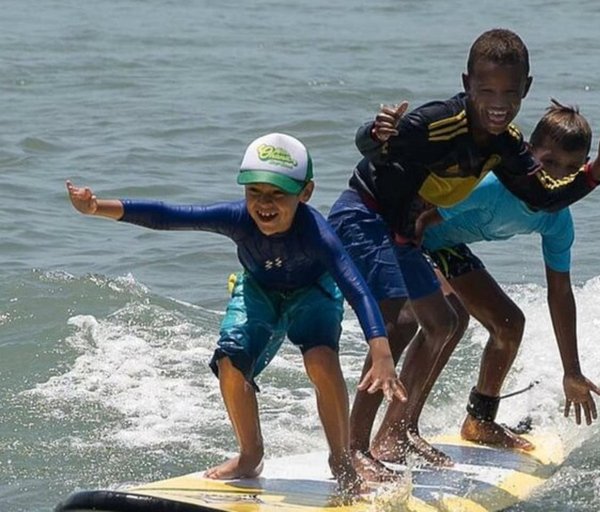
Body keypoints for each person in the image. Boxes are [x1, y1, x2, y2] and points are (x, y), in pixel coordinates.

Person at [328, 29, 600, 481]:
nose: (498, 102)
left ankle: (405, 431)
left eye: (509, 92)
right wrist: (374, 130)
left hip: (406, 235)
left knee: (444, 321)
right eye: (487, 91)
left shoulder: (508, 150)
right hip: (370, 215)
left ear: (526, 90)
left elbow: (545, 197)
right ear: (467, 84)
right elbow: (378, 147)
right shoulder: (441, 123)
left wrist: (597, 172)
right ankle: (355, 448)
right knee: (403, 321)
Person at [65, 133, 407, 496]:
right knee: (230, 362)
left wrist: (381, 352)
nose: (264, 204)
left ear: (305, 193)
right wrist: (96, 207)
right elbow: (169, 215)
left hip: (315, 293)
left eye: (278, 194)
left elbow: (356, 287)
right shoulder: (237, 219)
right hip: (259, 290)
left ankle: (340, 459)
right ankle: (250, 455)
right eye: (254, 192)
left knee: (321, 362)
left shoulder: (318, 235)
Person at [415, 100, 600, 449]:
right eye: (549, 162)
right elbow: (421, 217)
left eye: (571, 168)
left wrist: (571, 370)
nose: (558, 175)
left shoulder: (557, 220)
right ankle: (403, 428)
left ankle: (479, 421)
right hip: (411, 239)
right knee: (450, 318)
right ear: (529, 153)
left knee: (508, 323)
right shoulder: (492, 186)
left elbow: (559, 292)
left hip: (446, 247)